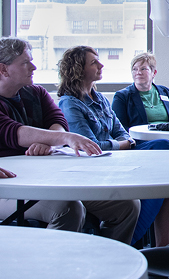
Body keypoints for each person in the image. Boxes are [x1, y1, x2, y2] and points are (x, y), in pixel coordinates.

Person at [0, 37, 139, 243]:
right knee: (68, 209)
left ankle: (107, 266)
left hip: (45, 180)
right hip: (9, 187)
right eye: (25, 62)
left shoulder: (36, 93)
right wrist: (64, 138)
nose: (34, 66)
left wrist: (49, 140)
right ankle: (53, 271)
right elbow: (14, 133)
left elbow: (57, 121)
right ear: (3, 69)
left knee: (127, 205)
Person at [57, 46, 169, 246]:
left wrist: (124, 143)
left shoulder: (99, 98)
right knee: (163, 157)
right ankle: (134, 239)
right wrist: (121, 145)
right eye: (94, 62)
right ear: (78, 69)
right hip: (98, 163)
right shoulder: (70, 104)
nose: (101, 65)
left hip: (118, 154)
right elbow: (89, 147)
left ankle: (152, 240)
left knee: (164, 149)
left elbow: (120, 130)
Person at [113, 52, 169, 150]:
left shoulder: (165, 92)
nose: (138, 72)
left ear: (153, 73)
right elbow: (120, 129)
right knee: (163, 144)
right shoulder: (122, 96)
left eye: (143, 69)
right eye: (135, 69)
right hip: (143, 141)